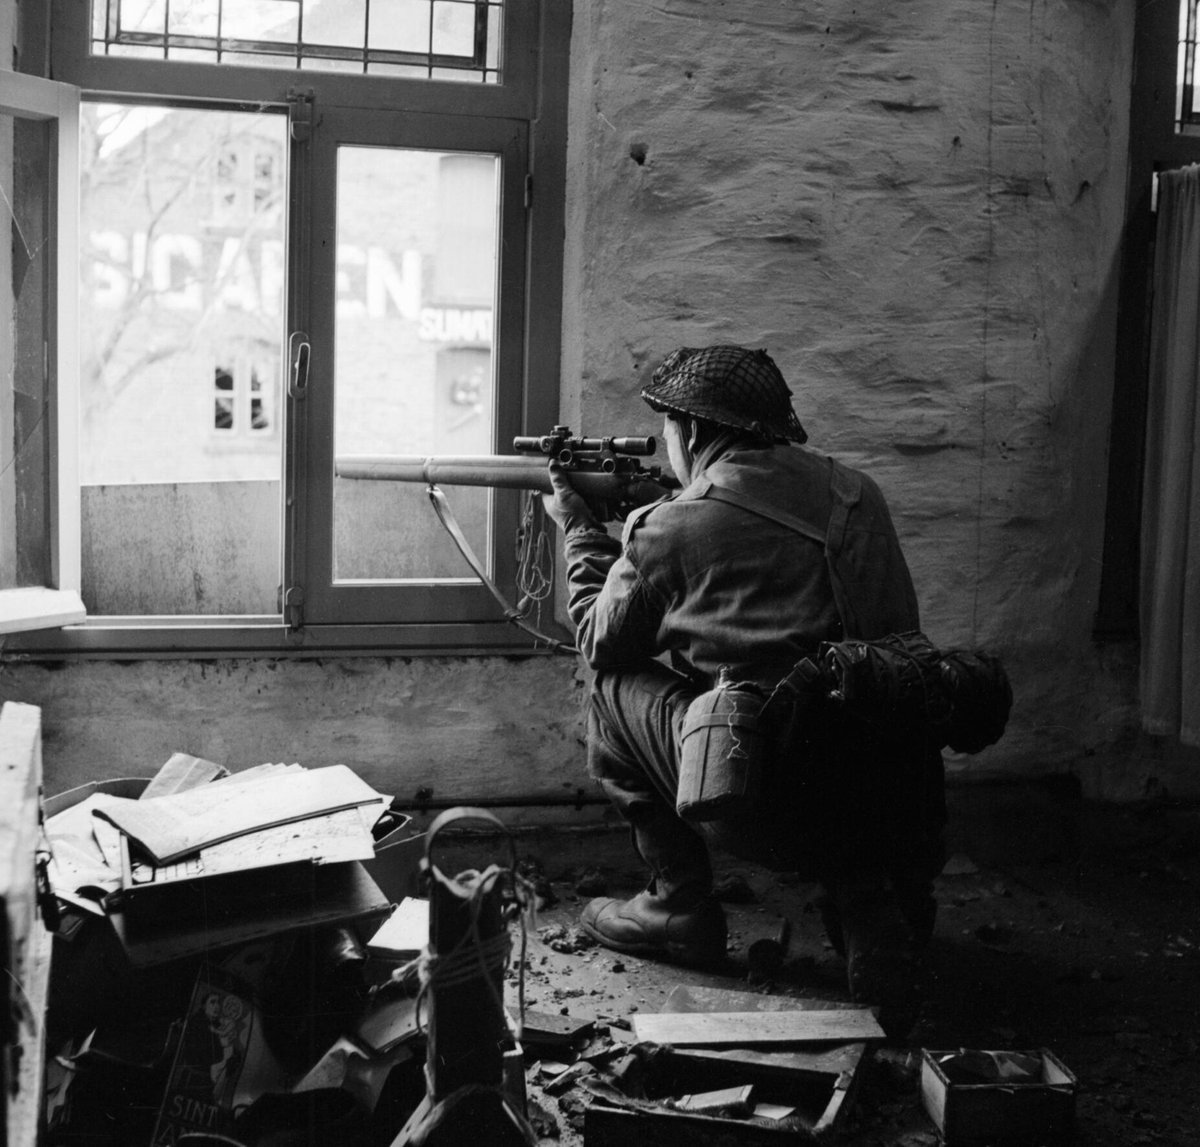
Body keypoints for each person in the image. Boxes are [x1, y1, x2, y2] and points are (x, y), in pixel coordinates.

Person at [542, 344, 946, 1036]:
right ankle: (870, 899)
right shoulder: (858, 493)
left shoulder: (669, 526)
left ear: (692, 432)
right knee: (844, 708)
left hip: (764, 801)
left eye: (668, 430)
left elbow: (599, 641)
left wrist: (583, 532)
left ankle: (679, 902)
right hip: (893, 800)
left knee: (611, 687)